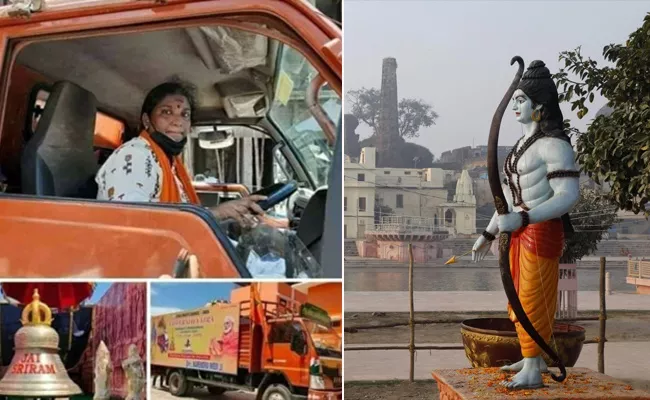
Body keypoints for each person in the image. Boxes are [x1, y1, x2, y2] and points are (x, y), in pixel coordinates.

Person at [471, 60, 580, 389]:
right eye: (514, 99)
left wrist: (525, 218)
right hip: (515, 231)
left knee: (533, 297)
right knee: (515, 298)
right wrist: (488, 233)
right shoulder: (517, 150)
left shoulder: (555, 146)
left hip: (540, 231)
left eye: (522, 100)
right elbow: (506, 197)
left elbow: (568, 195)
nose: (516, 106)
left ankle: (534, 364)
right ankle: (529, 355)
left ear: (539, 108)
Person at [95, 81, 265, 227]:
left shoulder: (171, 163)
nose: (177, 121)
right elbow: (131, 220)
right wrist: (215, 213)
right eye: (167, 112)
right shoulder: (134, 155)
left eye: (185, 114)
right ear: (147, 121)